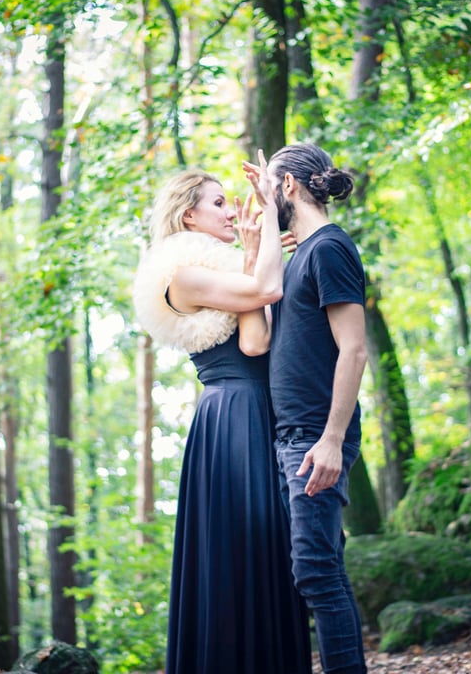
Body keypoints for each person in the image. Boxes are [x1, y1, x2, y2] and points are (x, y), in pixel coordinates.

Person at [132, 169, 312, 674]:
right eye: (220, 203)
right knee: (239, 554)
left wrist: (259, 252)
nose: (233, 211)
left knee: (272, 553)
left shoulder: (229, 269)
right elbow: (255, 337)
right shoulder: (183, 275)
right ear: (189, 215)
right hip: (232, 417)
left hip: (263, 409)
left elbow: (259, 304)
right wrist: (264, 244)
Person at [243, 143, 369, 674]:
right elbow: (263, 340)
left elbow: (355, 347)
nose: (260, 197)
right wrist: (260, 247)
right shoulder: (300, 257)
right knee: (320, 568)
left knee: (315, 571)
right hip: (291, 437)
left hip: (317, 437)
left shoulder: (328, 249)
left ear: (288, 186)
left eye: (268, 186)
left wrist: (333, 439)